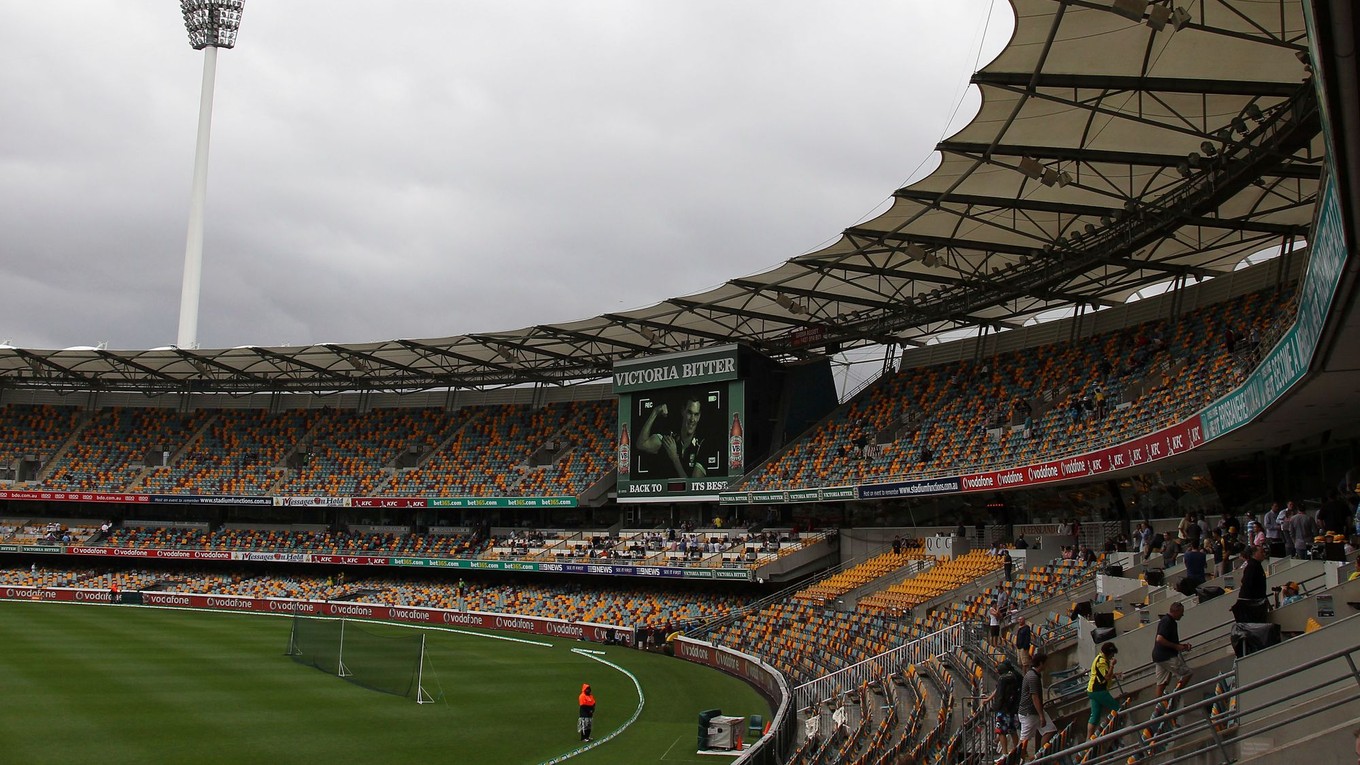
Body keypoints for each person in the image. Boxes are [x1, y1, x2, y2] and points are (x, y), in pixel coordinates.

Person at [636, 397, 711, 478]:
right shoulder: (670, 437)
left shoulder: (702, 445)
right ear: (683, 411)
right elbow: (641, 444)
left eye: (696, 414)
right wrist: (655, 412)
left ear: (699, 416)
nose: (692, 419)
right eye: (689, 413)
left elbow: (692, 488)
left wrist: (674, 457)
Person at [1017, 651, 1055, 760]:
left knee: (1050, 730)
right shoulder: (1033, 677)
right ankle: (1018, 758)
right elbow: (1035, 697)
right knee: (1023, 740)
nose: (1047, 665)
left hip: (1034, 711)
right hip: (1029, 712)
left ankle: (1038, 756)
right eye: (1045, 663)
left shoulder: (1032, 674)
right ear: (1041, 663)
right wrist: (1041, 716)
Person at [1152, 602, 1193, 699]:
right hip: (1166, 656)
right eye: (1181, 612)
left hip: (1159, 657)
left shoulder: (1167, 621)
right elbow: (1160, 639)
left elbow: (1169, 641)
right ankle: (1176, 696)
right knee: (1187, 674)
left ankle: (1159, 703)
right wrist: (1176, 647)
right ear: (1176, 611)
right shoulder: (1167, 621)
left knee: (1162, 682)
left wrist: (1181, 646)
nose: (1182, 615)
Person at [983, 660, 1022, 762]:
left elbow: (1000, 695)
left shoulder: (1002, 680)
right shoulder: (1013, 677)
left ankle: (1004, 753)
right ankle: (1017, 751)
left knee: (1001, 732)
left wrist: (994, 707)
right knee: (1012, 730)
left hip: (1003, 710)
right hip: (1012, 709)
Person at [1087, 642, 1120, 739]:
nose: (1113, 656)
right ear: (1109, 653)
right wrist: (1112, 665)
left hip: (1093, 691)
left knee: (1095, 716)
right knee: (1117, 709)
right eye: (1112, 653)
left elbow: (1103, 674)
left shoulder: (1101, 659)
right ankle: (1119, 731)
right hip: (1098, 691)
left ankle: (1088, 740)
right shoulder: (1101, 661)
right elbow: (1106, 676)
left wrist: (1116, 674)